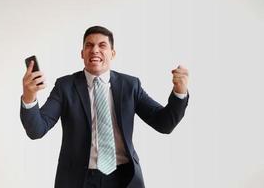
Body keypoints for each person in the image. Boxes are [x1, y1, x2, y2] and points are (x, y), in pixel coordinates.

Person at [20, 26, 189, 188]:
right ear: (82, 53)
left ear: (112, 53)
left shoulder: (130, 86)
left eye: (102, 45)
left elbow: (164, 124)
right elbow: (37, 130)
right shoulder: (65, 86)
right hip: (79, 179)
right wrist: (29, 96)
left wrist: (179, 92)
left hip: (123, 177)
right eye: (89, 45)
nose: (94, 50)